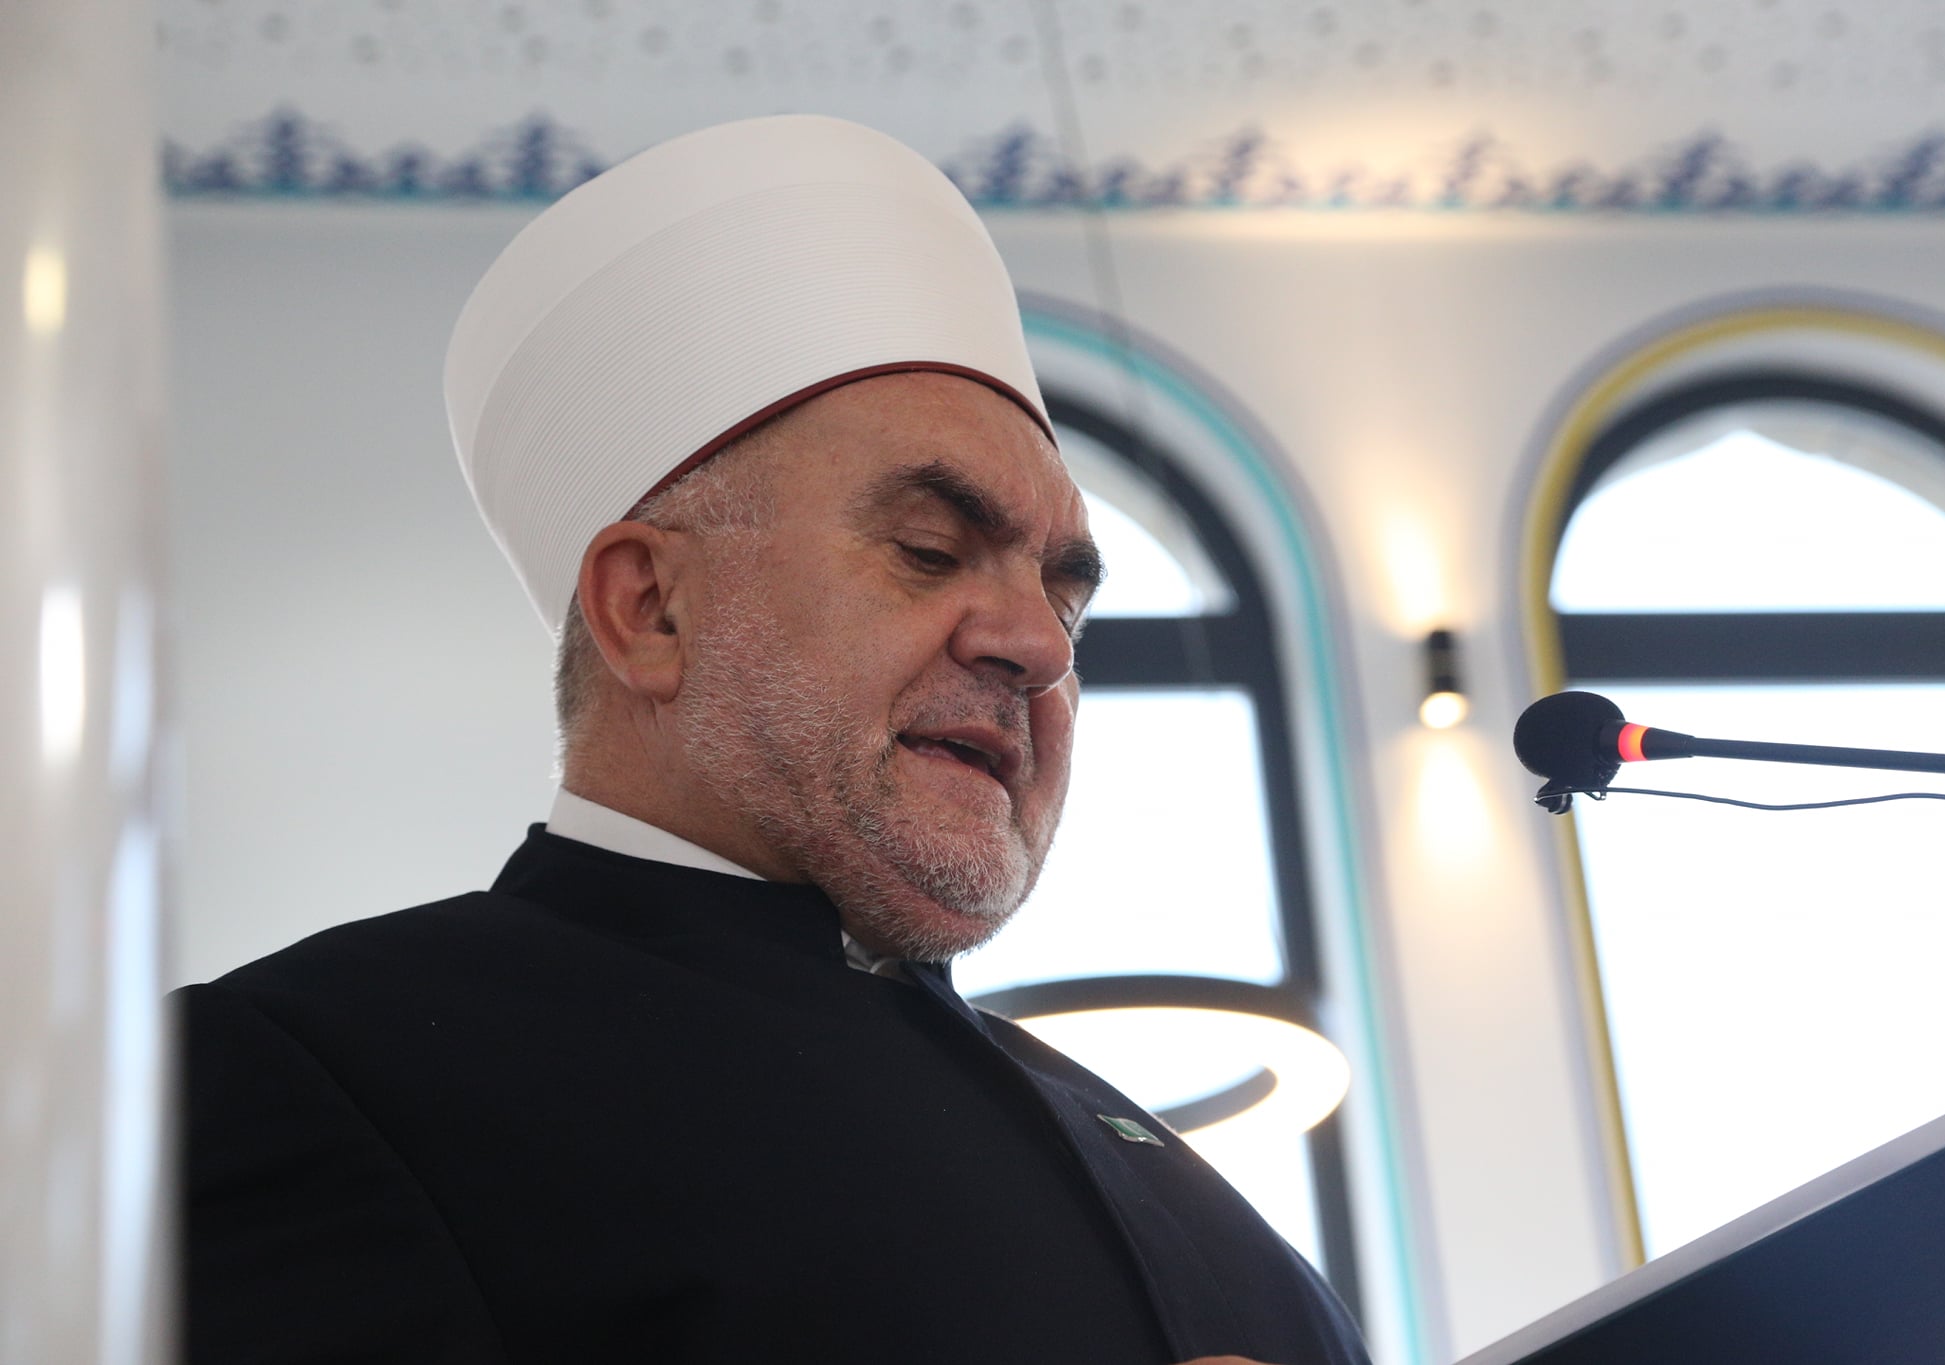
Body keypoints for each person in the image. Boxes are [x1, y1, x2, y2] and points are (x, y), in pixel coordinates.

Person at [177, 114, 1371, 1365]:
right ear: (651, 608)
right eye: (928, 550)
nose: (1037, 646)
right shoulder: (317, 1073)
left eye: (1065, 600)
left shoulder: (1156, 1162)